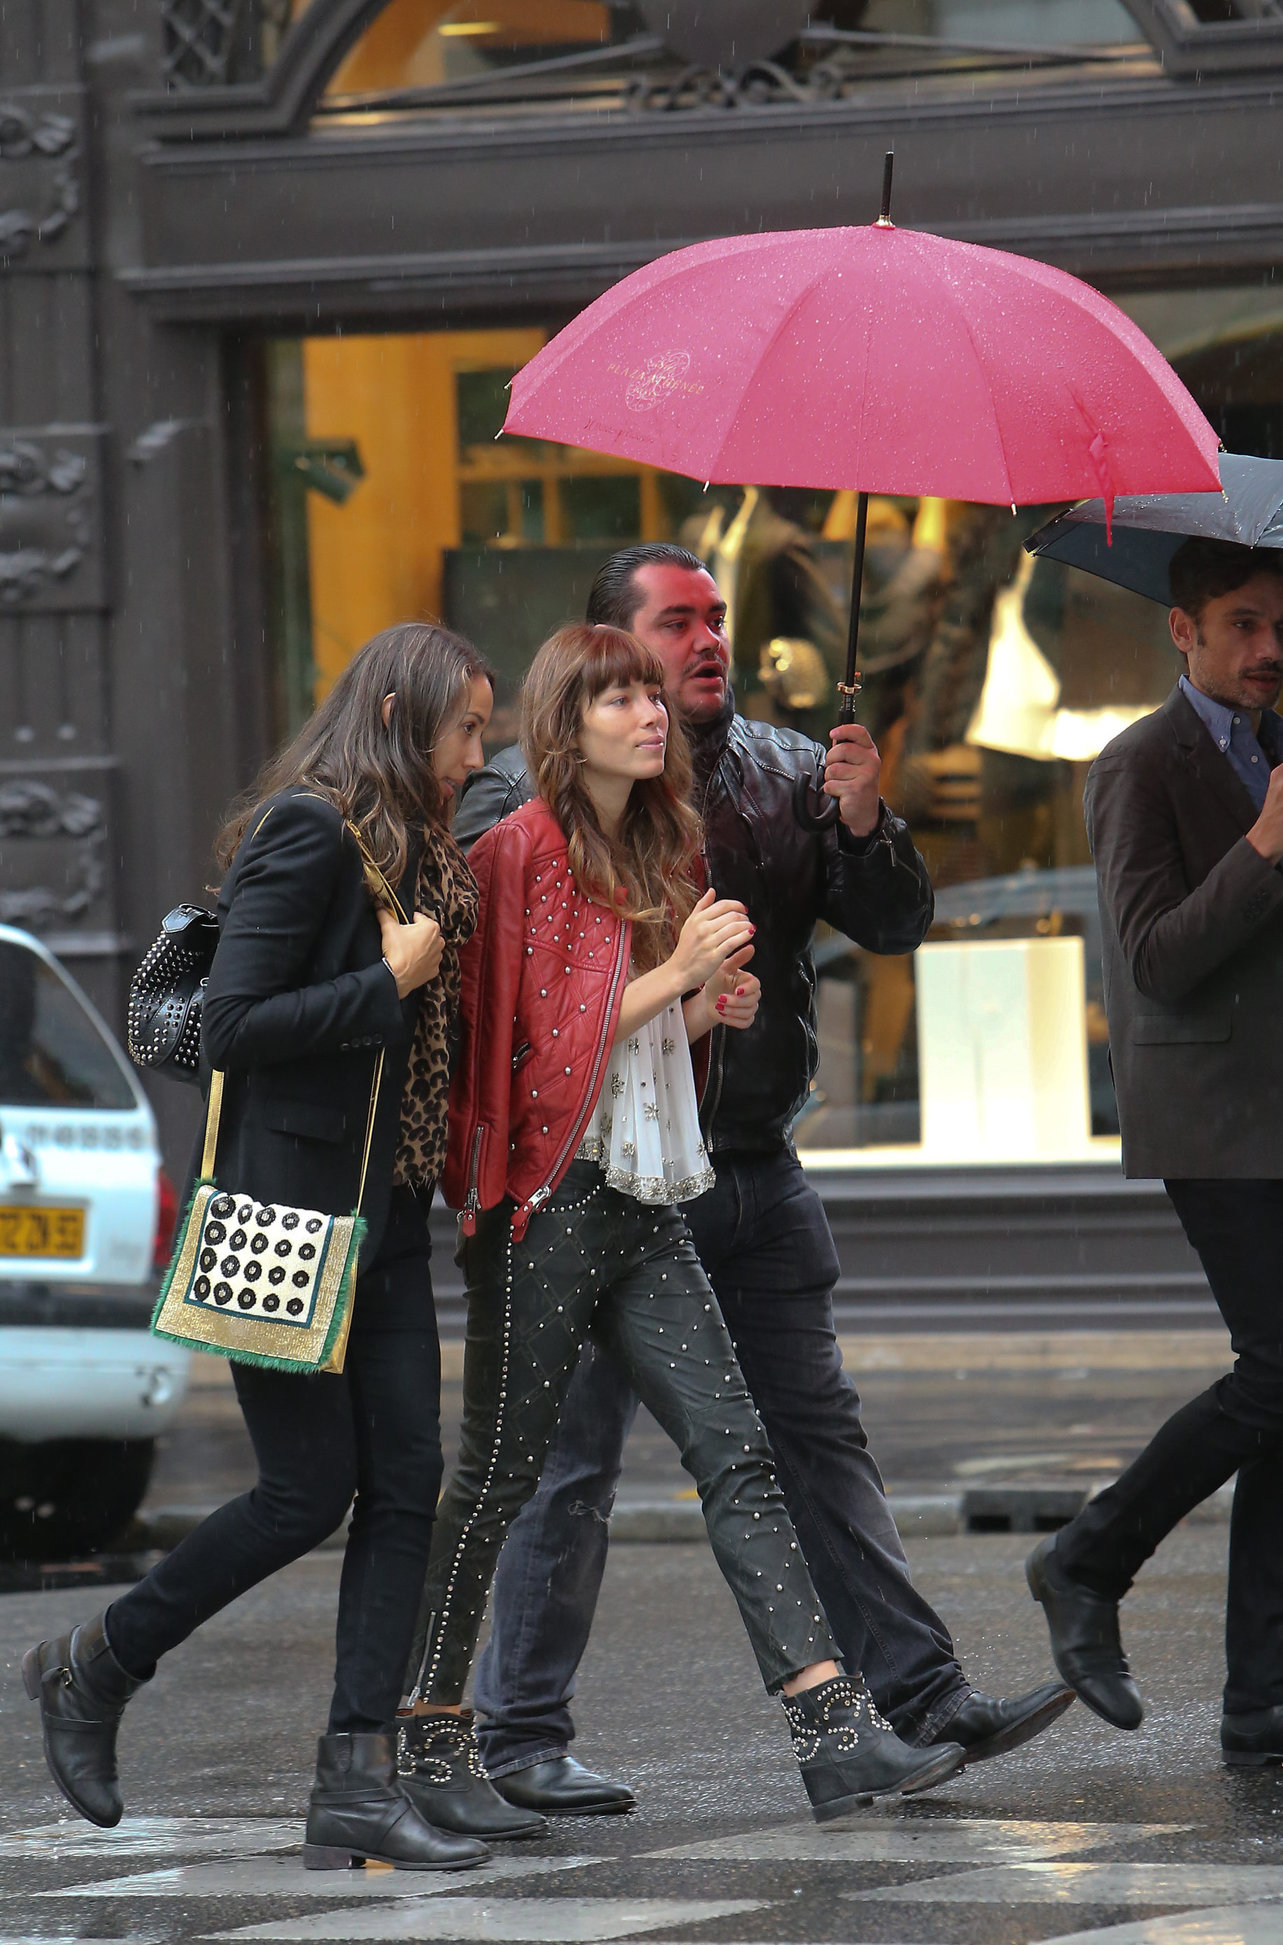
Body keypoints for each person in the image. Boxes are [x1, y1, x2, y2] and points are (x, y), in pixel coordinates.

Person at [450, 543, 1073, 1819]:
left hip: (743, 1166)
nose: (707, 643)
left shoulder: (788, 768)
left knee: (795, 1443)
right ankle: (495, 1736)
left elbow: (892, 922)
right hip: (583, 1187)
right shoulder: (517, 811)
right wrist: (679, 983)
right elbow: (527, 1030)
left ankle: (905, 1697)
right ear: (603, 656)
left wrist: (857, 818)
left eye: (715, 620)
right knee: (552, 1469)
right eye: (675, 626)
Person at [24, 623, 505, 1871]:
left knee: (406, 1484)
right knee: (306, 1491)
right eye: (464, 730)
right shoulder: (313, 828)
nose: (475, 753)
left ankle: (355, 1780)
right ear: (401, 718)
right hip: (290, 1216)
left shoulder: (425, 853)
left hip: (387, 1217)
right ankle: (95, 1661)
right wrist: (383, 986)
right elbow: (230, 1022)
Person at [1028, 537, 1283, 1761]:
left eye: (1278, 626)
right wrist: (1263, 848)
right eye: (1240, 624)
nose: (1266, 650)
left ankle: (1259, 1698)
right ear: (1179, 630)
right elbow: (1155, 957)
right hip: (1216, 1124)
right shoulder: (1137, 763)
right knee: (1279, 1371)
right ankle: (1086, 1556)